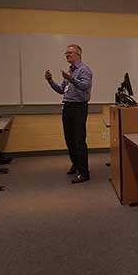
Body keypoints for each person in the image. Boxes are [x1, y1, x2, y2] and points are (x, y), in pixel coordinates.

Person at [45, 44, 93, 184]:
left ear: (78, 54)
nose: (67, 55)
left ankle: (84, 173)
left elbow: (85, 86)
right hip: (67, 106)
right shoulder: (69, 71)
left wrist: (71, 78)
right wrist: (50, 80)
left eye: (70, 53)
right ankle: (76, 164)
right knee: (69, 139)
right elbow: (61, 89)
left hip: (79, 107)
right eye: (66, 53)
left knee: (79, 140)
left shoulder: (84, 70)